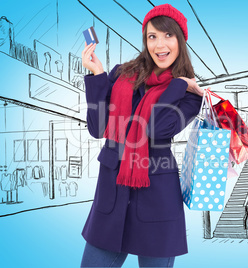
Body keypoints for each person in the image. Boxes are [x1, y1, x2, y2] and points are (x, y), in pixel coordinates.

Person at [80, 4, 205, 267]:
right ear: (145, 41)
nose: (160, 44)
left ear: (180, 40)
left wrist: (179, 84)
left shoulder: (189, 95)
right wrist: (98, 75)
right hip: (112, 195)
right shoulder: (121, 75)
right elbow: (97, 127)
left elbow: (156, 129)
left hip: (156, 199)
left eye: (168, 35)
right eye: (152, 36)